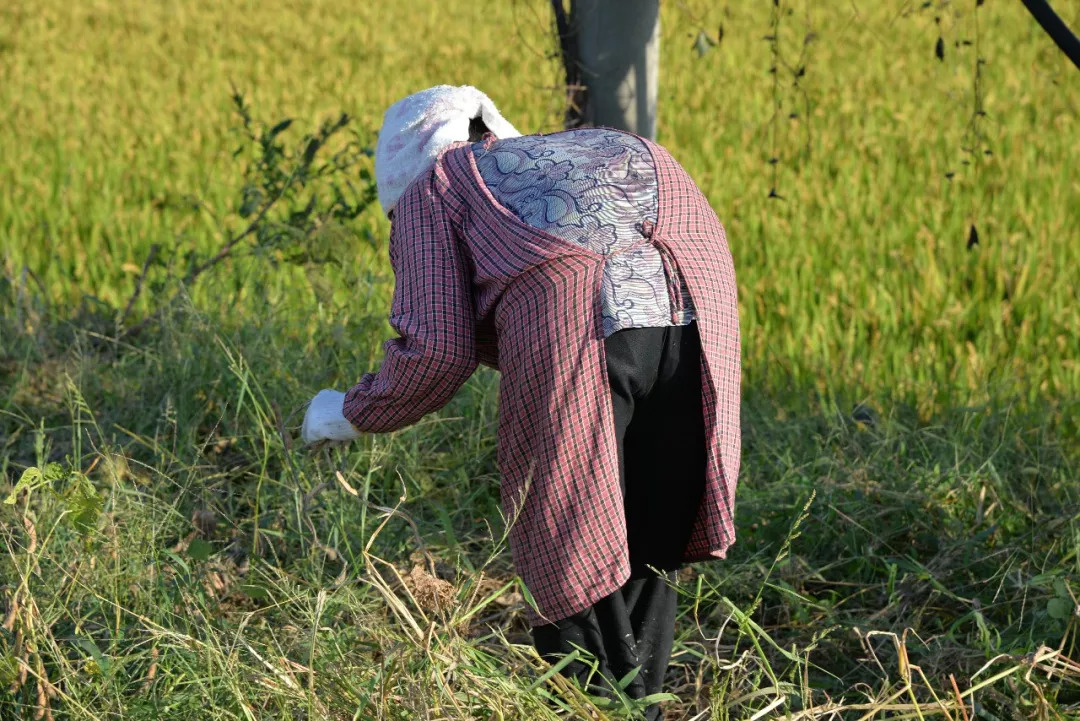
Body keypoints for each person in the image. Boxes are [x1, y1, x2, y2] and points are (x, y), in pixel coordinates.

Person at [300, 84, 740, 719]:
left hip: (586, 319)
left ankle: (607, 709)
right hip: (698, 292)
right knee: (651, 527)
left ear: (398, 170)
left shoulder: (435, 188)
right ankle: (640, 704)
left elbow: (436, 351)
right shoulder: (549, 159)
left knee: (566, 531)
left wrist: (346, 412)